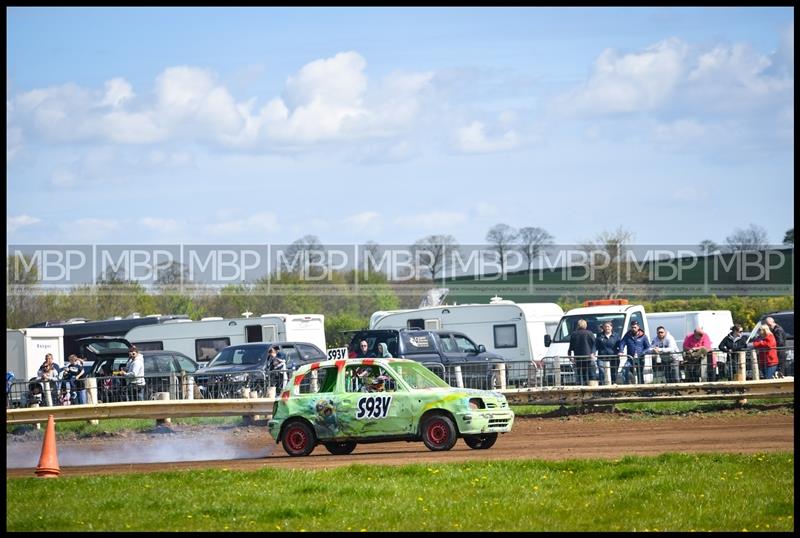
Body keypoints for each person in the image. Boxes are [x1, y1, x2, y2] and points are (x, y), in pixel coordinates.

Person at [568, 319, 597, 385]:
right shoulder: (589, 333)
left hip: (578, 357)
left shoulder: (574, 334)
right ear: (585, 325)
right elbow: (595, 344)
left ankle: (582, 386)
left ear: (578, 325)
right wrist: (593, 352)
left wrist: (570, 356)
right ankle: (592, 387)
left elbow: (571, 347)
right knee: (591, 374)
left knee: (581, 374)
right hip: (588, 357)